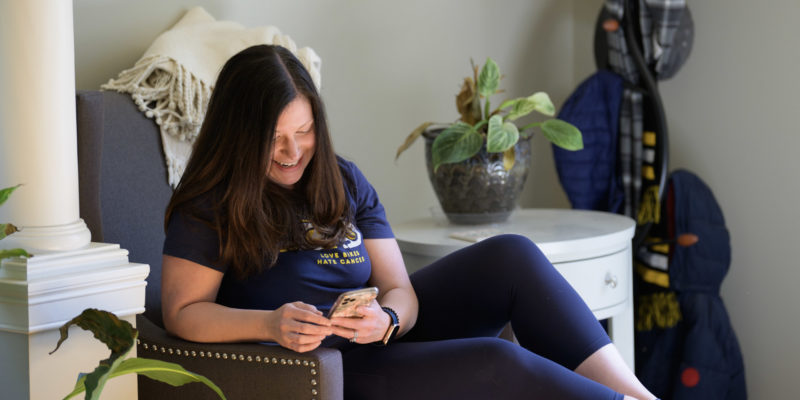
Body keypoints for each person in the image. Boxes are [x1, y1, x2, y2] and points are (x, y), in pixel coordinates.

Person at [161, 44, 658, 400]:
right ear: (241, 135)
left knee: (512, 255)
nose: (294, 152)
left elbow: (401, 290)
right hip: (322, 369)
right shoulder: (208, 204)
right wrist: (271, 323)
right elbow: (183, 311)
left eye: (305, 130)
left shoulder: (341, 180)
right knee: (495, 361)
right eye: (275, 138)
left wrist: (388, 320)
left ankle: (636, 395)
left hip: (377, 342)